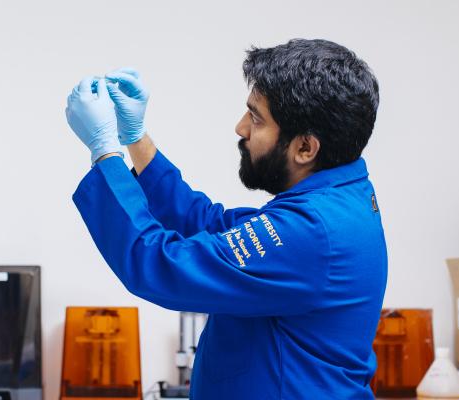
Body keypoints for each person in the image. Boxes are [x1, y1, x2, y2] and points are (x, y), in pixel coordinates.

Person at [65, 39, 387, 399]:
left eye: (256, 117)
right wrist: (135, 138)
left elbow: (160, 266)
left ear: (305, 148)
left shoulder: (313, 232)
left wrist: (104, 150)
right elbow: (211, 224)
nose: (241, 128)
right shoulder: (336, 201)